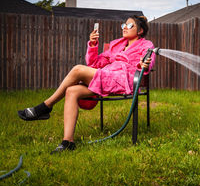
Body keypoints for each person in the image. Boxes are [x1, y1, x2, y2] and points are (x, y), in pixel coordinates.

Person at [18, 15, 155, 154]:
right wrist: (93, 45)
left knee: (78, 69)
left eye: (130, 25)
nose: (125, 27)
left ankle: (45, 107)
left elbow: (147, 60)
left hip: (123, 79)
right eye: (124, 25)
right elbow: (94, 64)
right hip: (107, 77)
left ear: (140, 31)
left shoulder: (146, 45)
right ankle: (67, 141)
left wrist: (143, 63)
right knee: (72, 91)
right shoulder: (117, 45)